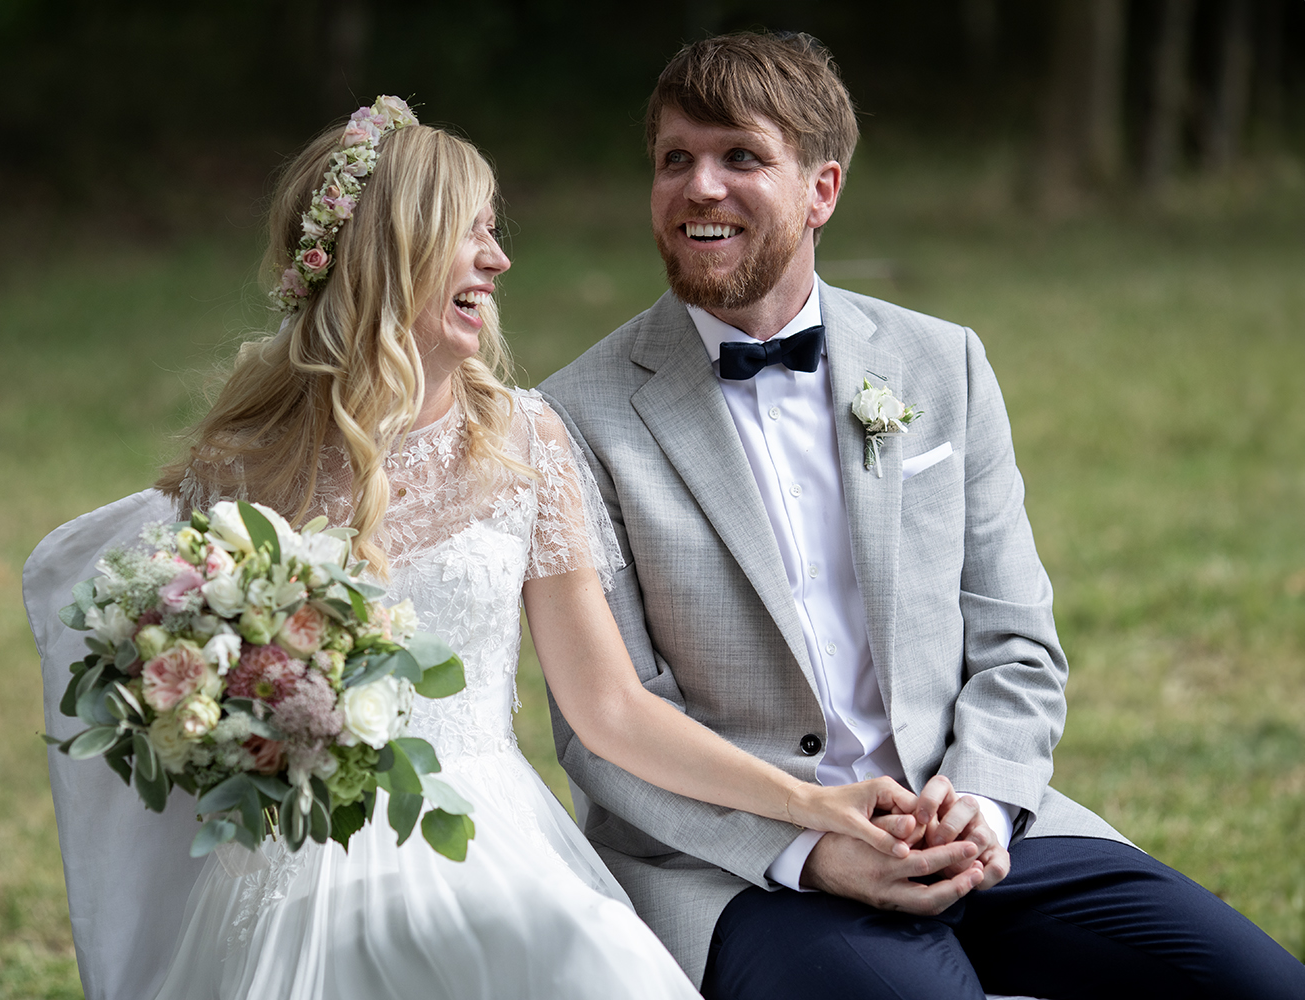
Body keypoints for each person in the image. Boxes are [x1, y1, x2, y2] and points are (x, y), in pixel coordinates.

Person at [24, 98, 927, 1000]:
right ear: (394, 252)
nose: (499, 260)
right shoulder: (242, 473)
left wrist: (808, 803)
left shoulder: (524, 441)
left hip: (482, 834)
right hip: (301, 863)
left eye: (495, 232)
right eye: (471, 233)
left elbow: (611, 709)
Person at [538, 32, 1305, 1000]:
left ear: (822, 190)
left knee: (1261, 985)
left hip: (977, 825)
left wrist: (982, 801)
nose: (700, 187)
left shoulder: (944, 364)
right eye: (674, 159)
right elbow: (607, 732)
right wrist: (813, 848)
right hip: (747, 868)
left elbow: (1018, 642)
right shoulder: (573, 417)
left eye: (740, 157)